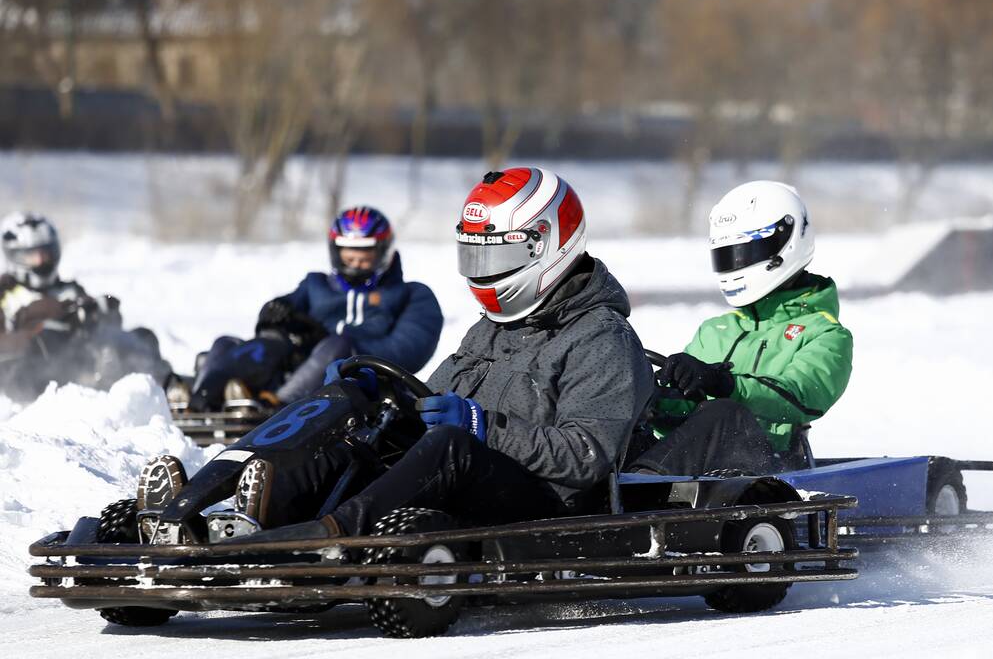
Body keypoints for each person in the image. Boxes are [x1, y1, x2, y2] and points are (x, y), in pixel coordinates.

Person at [139, 167, 654, 541]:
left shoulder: (600, 338)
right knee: (353, 422)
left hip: (548, 509)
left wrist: (482, 426)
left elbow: (587, 457)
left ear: (547, 243)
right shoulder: (493, 330)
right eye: (477, 252)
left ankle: (325, 538)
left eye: (496, 253)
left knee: (447, 445)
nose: (484, 269)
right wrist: (374, 395)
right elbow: (431, 397)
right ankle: (221, 511)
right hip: (472, 483)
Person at [629, 180, 853, 477]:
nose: (734, 266)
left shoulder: (826, 335)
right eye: (726, 256)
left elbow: (798, 398)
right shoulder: (716, 330)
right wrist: (652, 399)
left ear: (782, 244)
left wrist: (723, 384)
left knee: (725, 413)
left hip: (770, 468)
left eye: (743, 254)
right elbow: (686, 414)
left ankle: (639, 494)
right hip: (703, 466)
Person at [182, 206, 443, 412]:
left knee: (336, 347)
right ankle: (206, 394)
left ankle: (277, 406)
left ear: (383, 253)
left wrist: (335, 345)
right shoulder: (315, 285)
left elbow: (407, 351)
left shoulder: (412, 295)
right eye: (348, 257)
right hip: (296, 369)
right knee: (228, 343)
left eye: (364, 258)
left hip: (357, 382)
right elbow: (278, 316)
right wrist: (275, 314)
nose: (355, 265)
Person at [0, 211, 170, 401]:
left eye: (45, 254)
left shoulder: (69, 290)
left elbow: (103, 323)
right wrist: (52, 319)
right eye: (32, 256)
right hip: (28, 378)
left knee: (141, 337)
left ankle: (165, 388)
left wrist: (101, 313)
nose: (41, 261)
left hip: (80, 363)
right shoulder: (5, 293)